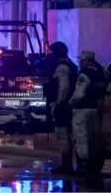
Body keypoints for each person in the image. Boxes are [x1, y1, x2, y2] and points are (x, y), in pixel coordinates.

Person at [69, 50, 106, 175]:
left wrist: (70, 103)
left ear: (89, 61)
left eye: (83, 60)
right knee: (90, 137)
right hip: (94, 109)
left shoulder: (84, 75)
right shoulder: (101, 73)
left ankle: (83, 165)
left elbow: (79, 93)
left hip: (82, 109)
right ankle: (91, 164)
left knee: (80, 137)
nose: (80, 62)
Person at [45, 41, 78, 174]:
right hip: (66, 105)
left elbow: (63, 87)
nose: (50, 54)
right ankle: (68, 164)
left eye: (52, 52)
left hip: (62, 106)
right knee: (66, 134)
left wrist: (59, 103)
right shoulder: (68, 65)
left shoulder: (62, 67)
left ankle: (67, 166)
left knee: (63, 134)